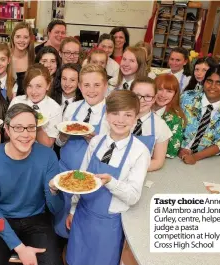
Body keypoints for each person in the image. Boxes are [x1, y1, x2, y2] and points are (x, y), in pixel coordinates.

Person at [64, 90, 150, 265]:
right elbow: (81, 177)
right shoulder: (96, 142)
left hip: (109, 225)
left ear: (135, 118)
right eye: (115, 113)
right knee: (75, 259)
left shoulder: (140, 152)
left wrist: (111, 182)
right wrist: (73, 209)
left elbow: (133, 196)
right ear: (106, 115)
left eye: (128, 115)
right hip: (82, 214)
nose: (120, 120)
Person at [0, 103, 64, 265]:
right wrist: (20, 248)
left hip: (37, 219)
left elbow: (56, 209)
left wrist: (54, 191)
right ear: (7, 129)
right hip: (1, 220)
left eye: (31, 127)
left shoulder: (48, 156)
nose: (25, 134)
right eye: (18, 127)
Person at [54, 64, 108, 242]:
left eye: (96, 85)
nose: (91, 90)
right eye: (86, 85)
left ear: (105, 86)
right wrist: (62, 136)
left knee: (83, 231)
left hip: (91, 180)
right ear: (79, 86)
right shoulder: (72, 108)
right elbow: (59, 143)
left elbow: (113, 155)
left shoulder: (112, 114)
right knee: (62, 226)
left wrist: (95, 140)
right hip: (66, 174)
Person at [179, 65, 220, 164]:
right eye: (209, 81)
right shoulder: (187, 98)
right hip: (177, 153)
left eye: (219, 83)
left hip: (208, 160)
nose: (212, 86)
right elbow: (171, 124)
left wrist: (195, 157)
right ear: (204, 82)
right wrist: (179, 150)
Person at [10, 64, 62, 148]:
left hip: (41, 154)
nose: (33, 92)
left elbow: (48, 144)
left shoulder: (55, 108)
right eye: (29, 86)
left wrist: (37, 125)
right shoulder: (17, 101)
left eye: (38, 86)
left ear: (48, 85)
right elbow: (6, 135)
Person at [130, 77, 172, 171]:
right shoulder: (117, 118)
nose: (141, 100)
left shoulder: (160, 126)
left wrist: (130, 169)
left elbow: (158, 161)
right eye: (137, 95)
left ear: (154, 98)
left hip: (141, 174)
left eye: (148, 96)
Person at [152, 74, 186, 158]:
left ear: (175, 94)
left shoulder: (175, 119)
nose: (163, 95)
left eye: (169, 91)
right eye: (160, 89)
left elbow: (172, 151)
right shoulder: (143, 108)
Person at [11, 22, 36, 96]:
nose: (22, 40)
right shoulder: (5, 57)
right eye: (18, 36)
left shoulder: (34, 58)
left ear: (30, 39)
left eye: (25, 37)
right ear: (13, 38)